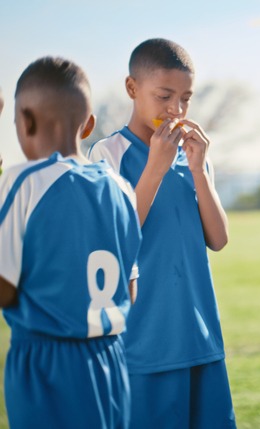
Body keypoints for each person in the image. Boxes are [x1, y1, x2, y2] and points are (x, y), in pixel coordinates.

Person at [87, 38, 236, 428]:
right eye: (164, 96)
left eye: (185, 99)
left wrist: (199, 170)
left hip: (200, 335)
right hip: (145, 343)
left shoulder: (194, 156)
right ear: (132, 88)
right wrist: (155, 166)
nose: (176, 110)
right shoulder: (108, 154)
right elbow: (112, 238)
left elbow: (218, 239)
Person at [0, 56, 141, 428]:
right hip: (111, 359)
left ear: (25, 121)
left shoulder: (23, 180)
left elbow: (4, 291)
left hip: (46, 362)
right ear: (89, 124)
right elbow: (130, 291)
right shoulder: (122, 188)